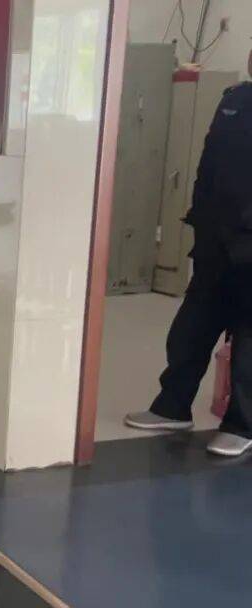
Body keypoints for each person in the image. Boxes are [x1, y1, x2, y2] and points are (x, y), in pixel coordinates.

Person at [125, 48, 252, 457]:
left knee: (249, 341)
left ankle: (242, 425)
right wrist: (200, 216)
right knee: (190, 330)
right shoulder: (235, 100)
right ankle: (172, 406)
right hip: (216, 243)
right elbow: (208, 165)